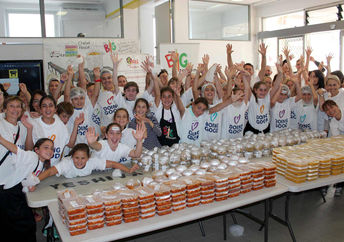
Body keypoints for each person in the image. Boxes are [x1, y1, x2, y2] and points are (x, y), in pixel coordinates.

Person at [0, 134, 54, 242]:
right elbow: (15, 149)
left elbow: (25, 179)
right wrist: (1, 138)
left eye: (52, 149)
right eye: (46, 147)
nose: (50, 151)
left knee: (21, 225)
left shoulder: (42, 165)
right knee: (24, 225)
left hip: (16, 194)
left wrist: (30, 186)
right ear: (36, 150)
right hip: (9, 194)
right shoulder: (32, 156)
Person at [25, 143, 138, 184]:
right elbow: (50, 172)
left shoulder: (92, 161)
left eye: (83, 158)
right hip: (65, 184)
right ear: (72, 156)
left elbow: (113, 164)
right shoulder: (67, 163)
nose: (79, 161)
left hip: (83, 186)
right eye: (76, 158)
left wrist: (128, 170)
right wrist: (36, 180)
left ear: (88, 158)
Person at [30, 95, 82, 166]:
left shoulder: (60, 124)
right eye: (44, 106)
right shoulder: (33, 124)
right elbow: (28, 148)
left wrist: (76, 125)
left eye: (51, 105)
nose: (48, 109)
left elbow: (70, 144)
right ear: (40, 109)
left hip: (54, 168)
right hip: (37, 167)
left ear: (55, 109)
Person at [322, 100, 344, 197]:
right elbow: (337, 139)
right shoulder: (333, 122)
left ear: (337, 106)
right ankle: (339, 184)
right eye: (327, 110)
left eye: (332, 107)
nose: (330, 111)